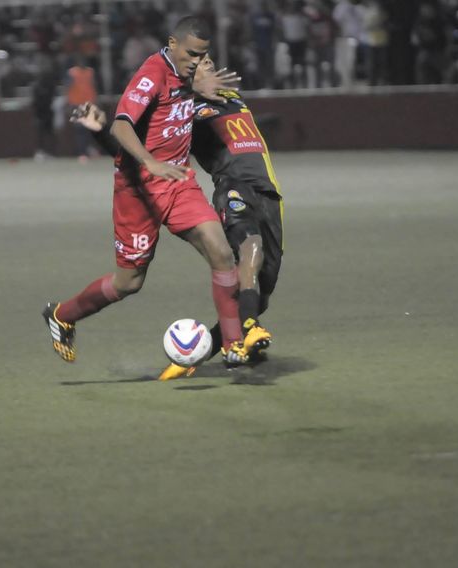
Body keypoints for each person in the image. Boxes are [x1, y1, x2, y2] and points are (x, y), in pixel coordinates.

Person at [41, 16, 250, 368]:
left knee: (222, 252)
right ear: (172, 44)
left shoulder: (190, 75)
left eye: (204, 56)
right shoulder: (152, 73)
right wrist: (149, 162)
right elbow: (123, 125)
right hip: (136, 189)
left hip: (177, 180)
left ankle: (233, 346)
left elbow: (191, 92)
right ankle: (61, 314)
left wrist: (203, 86)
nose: (197, 62)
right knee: (129, 282)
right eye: (192, 54)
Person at [70, 54, 283, 381]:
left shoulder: (231, 97)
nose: (209, 64)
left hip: (269, 194)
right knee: (248, 248)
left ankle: (197, 354)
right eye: (201, 65)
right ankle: (245, 334)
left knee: (259, 294)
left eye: (211, 61)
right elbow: (131, 143)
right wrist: (101, 131)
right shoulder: (185, 111)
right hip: (233, 188)